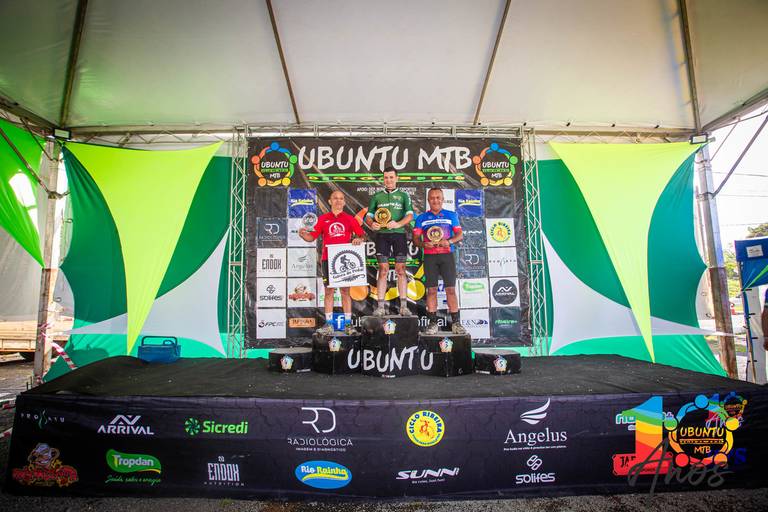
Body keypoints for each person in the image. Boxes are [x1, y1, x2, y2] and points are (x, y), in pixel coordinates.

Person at [299, 190, 365, 335]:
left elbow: (362, 235)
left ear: (344, 202)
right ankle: (329, 325)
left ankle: (348, 325)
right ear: (330, 201)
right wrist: (303, 235)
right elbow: (311, 237)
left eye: (341, 198)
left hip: (343, 261)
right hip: (327, 260)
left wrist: (358, 239)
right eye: (335, 198)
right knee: (329, 292)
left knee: (345, 291)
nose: (338, 201)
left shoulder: (349, 219)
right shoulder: (323, 219)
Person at [413, 187, 467, 335]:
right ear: (428, 200)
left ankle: (456, 323)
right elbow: (416, 239)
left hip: (447, 256)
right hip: (430, 257)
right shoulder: (422, 218)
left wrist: (449, 241)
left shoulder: (451, 215)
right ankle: (432, 324)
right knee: (431, 291)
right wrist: (423, 244)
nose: (435, 200)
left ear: (442, 199)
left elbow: (460, 235)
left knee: (450, 290)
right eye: (432, 198)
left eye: (438, 197)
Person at [365, 167, 414, 316]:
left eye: (391, 177)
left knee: (401, 270)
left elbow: (410, 215)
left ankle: (404, 307)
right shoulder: (377, 196)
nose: (389, 180)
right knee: (383, 270)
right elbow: (368, 216)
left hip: (399, 235)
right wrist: (372, 224)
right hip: (382, 236)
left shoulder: (404, 195)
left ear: (396, 178)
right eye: (386, 177)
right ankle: (380, 307)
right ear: (383, 179)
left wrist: (398, 224)